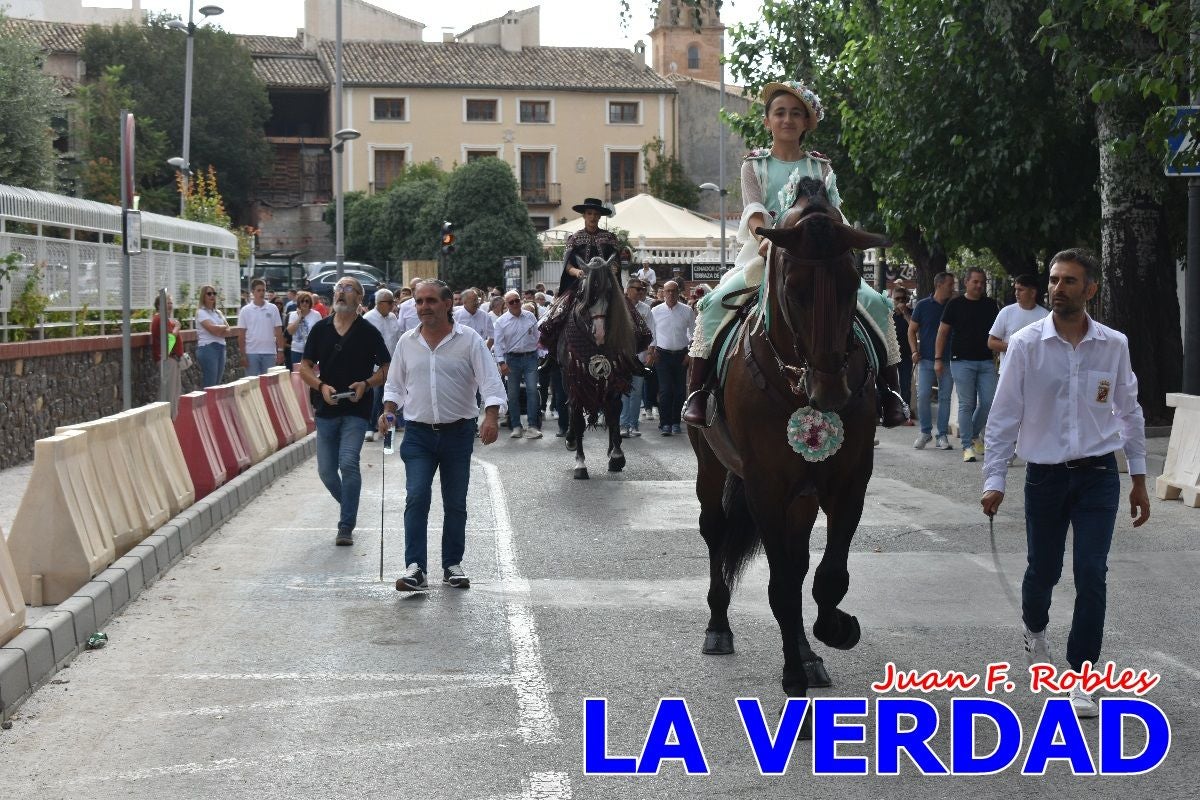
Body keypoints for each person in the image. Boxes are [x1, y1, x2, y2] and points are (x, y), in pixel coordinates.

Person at [980, 248, 1150, 718]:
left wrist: (1138, 478)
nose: (1057, 288)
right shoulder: (1026, 344)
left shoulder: (1113, 345)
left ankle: (1082, 677)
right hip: (1046, 477)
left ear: (1090, 289)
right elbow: (1003, 416)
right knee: (1044, 572)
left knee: (1092, 574)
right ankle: (1034, 629)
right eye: (1054, 280)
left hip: (1098, 475)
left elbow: (1128, 412)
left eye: (1069, 281)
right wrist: (995, 478)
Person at [381, 280, 506, 591]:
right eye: (420, 301)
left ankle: (452, 564)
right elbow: (394, 385)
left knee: (455, 503)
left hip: (458, 433)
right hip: (418, 434)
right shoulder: (406, 343)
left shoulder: (470, 341)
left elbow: (490, 382)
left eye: (431, 301)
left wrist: (490, 416)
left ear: (448, 304)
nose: (424, 307)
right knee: (417, 497)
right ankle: (415, 569)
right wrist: (388, 411)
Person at [298, 276, 392, 546]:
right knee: (326, 472)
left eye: (348, 288)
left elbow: (387, 368)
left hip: (356, 408)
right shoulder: (321, 329)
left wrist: (366, 384)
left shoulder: (368, 331)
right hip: (326, 409)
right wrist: (320, 386)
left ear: (360, 298)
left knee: (348, 462)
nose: (340, 292)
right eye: (338, 288)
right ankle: (349, 506)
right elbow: (304, 367)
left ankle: (345, 525)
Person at [935, 267, 1000, 462]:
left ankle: (972, 434)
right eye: (976, 282)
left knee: (989, 402)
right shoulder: (955, 305)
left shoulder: (990, 305)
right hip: (961, 361)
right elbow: (942, 332)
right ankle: (967, 446)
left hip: (986, 361)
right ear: (966, 283)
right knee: (966, 404)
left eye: (982, 282)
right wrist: (938, 358)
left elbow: (997, 331)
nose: (980, 285)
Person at [909, 272, 957, 450]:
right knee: (923, 396)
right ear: (939, 285)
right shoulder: (922, 305)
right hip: (926, 359)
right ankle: (925, 431)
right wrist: (914, 350)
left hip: (949, 359)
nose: (953, 288)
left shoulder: (953, 306)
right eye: (950, 284)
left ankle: (942, 434)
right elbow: (911, 330)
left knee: (944, 398)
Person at [493, 290, 543, 438]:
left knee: (533, 391)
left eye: (517, 300)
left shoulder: (530, 316)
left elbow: (537, 337)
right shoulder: (501, 322)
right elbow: (498, 344)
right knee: (513, 394)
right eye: (511, 302)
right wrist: (501, 363)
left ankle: (533, 426)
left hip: (530, 357)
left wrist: (540, 354)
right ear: (506, 304)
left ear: (521, 300)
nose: (515, 304)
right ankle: (516, 426)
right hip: (511, 360)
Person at [651, 280, 694, 435]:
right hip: (662, 355)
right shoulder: (655, 311)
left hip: (681, 355)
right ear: (663, 292)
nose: (670, 294)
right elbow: (651, 333)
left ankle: (676, 422)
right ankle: (665, 424)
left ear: (678, 292)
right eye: (667, 291)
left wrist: (690, 353)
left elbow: (694, 332)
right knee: (665, 390)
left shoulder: (687, 310)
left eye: (673, 291)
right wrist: (652, 350)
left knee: (680, 391)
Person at [988, 273, 1049, 375]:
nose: (1016, 293)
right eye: (1016, 289)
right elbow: (991, 342)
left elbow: (1049, 346)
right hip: (1009, 373)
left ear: (1033, 293)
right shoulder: (1006, 312)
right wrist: (1016, 348)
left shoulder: (1045, 316)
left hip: (1035, 374)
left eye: (1021, 290)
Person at [363, 289, 403, 442]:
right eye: (390, 302)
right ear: (379, 303)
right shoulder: (368, 319)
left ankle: (385, 427)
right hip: (375, 367)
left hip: (391, 365)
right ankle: (369, 428)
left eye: (394, 302)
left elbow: (397, 339)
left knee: (389, 398)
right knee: (375, 396)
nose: (394, 305)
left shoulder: (393, 317)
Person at [620, 278, 656, 437]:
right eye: (638, 289)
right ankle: (623, 424)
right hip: (621, 357)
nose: (641, 292)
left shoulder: (646, 309)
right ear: (628, 289)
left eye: (642, 289)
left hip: (639, 357)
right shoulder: (618, 307)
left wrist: (650, 352)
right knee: (623, 391)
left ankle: (633, 425)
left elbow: (652, 332)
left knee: (636, 392)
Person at [237, 278, 286, 376]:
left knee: (268, 385)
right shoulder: (245, 310)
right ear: (253, 292)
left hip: (269, 352)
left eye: (263, 290)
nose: (262, 293)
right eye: (259, 290)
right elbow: (241, 335)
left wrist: (280, 350)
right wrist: (243, 355)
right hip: (251, 353)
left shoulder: (273, 308)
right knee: (252, 384)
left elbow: (278, 331)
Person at [151, 293, 183, 418]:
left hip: (171, 360)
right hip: (168, 360)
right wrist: (177, 327)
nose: (169, 305)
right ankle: (168, 420)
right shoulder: (160, 319)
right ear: (159, 305)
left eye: (170, 303)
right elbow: (170, 339)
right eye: (166, 303)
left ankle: (171, 419)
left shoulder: (163, 319)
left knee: (174, 393)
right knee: (170, 394)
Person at [194, 284, 228, 388]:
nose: (212, 296)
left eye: (214, 293)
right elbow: (213, 330)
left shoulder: (218, 312)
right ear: (203, 296)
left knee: (217, 383)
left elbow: (228, 329)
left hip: (221, 347)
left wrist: (219, 329)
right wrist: (221, 329)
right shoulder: (201, 312)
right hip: (208, 348)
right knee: (210, 383)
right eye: (209, 293)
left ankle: (212, 404)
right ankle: (206, 404)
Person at [891, 286, 914, 419]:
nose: (900, 301)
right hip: (891, 354)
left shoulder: (911, 313)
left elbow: (915, 329)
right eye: (897, 298)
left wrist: (905, 313)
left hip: (906, 354)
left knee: (905, 384)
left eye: (903, 298)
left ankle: (906, 413)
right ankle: (892, 410)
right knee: (891, 383)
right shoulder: (888, 313)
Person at [287, 291, 322, 375]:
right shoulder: (293, 315)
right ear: (299, 303)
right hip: (296, 350)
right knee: (297, 375)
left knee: (311, 374)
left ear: (310, 303)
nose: (304, 303)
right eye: (302, 301)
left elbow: (321, 332)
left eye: (307, 301)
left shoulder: (316, 315)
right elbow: (290, 331)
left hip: (311, 351)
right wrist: (299, 317)